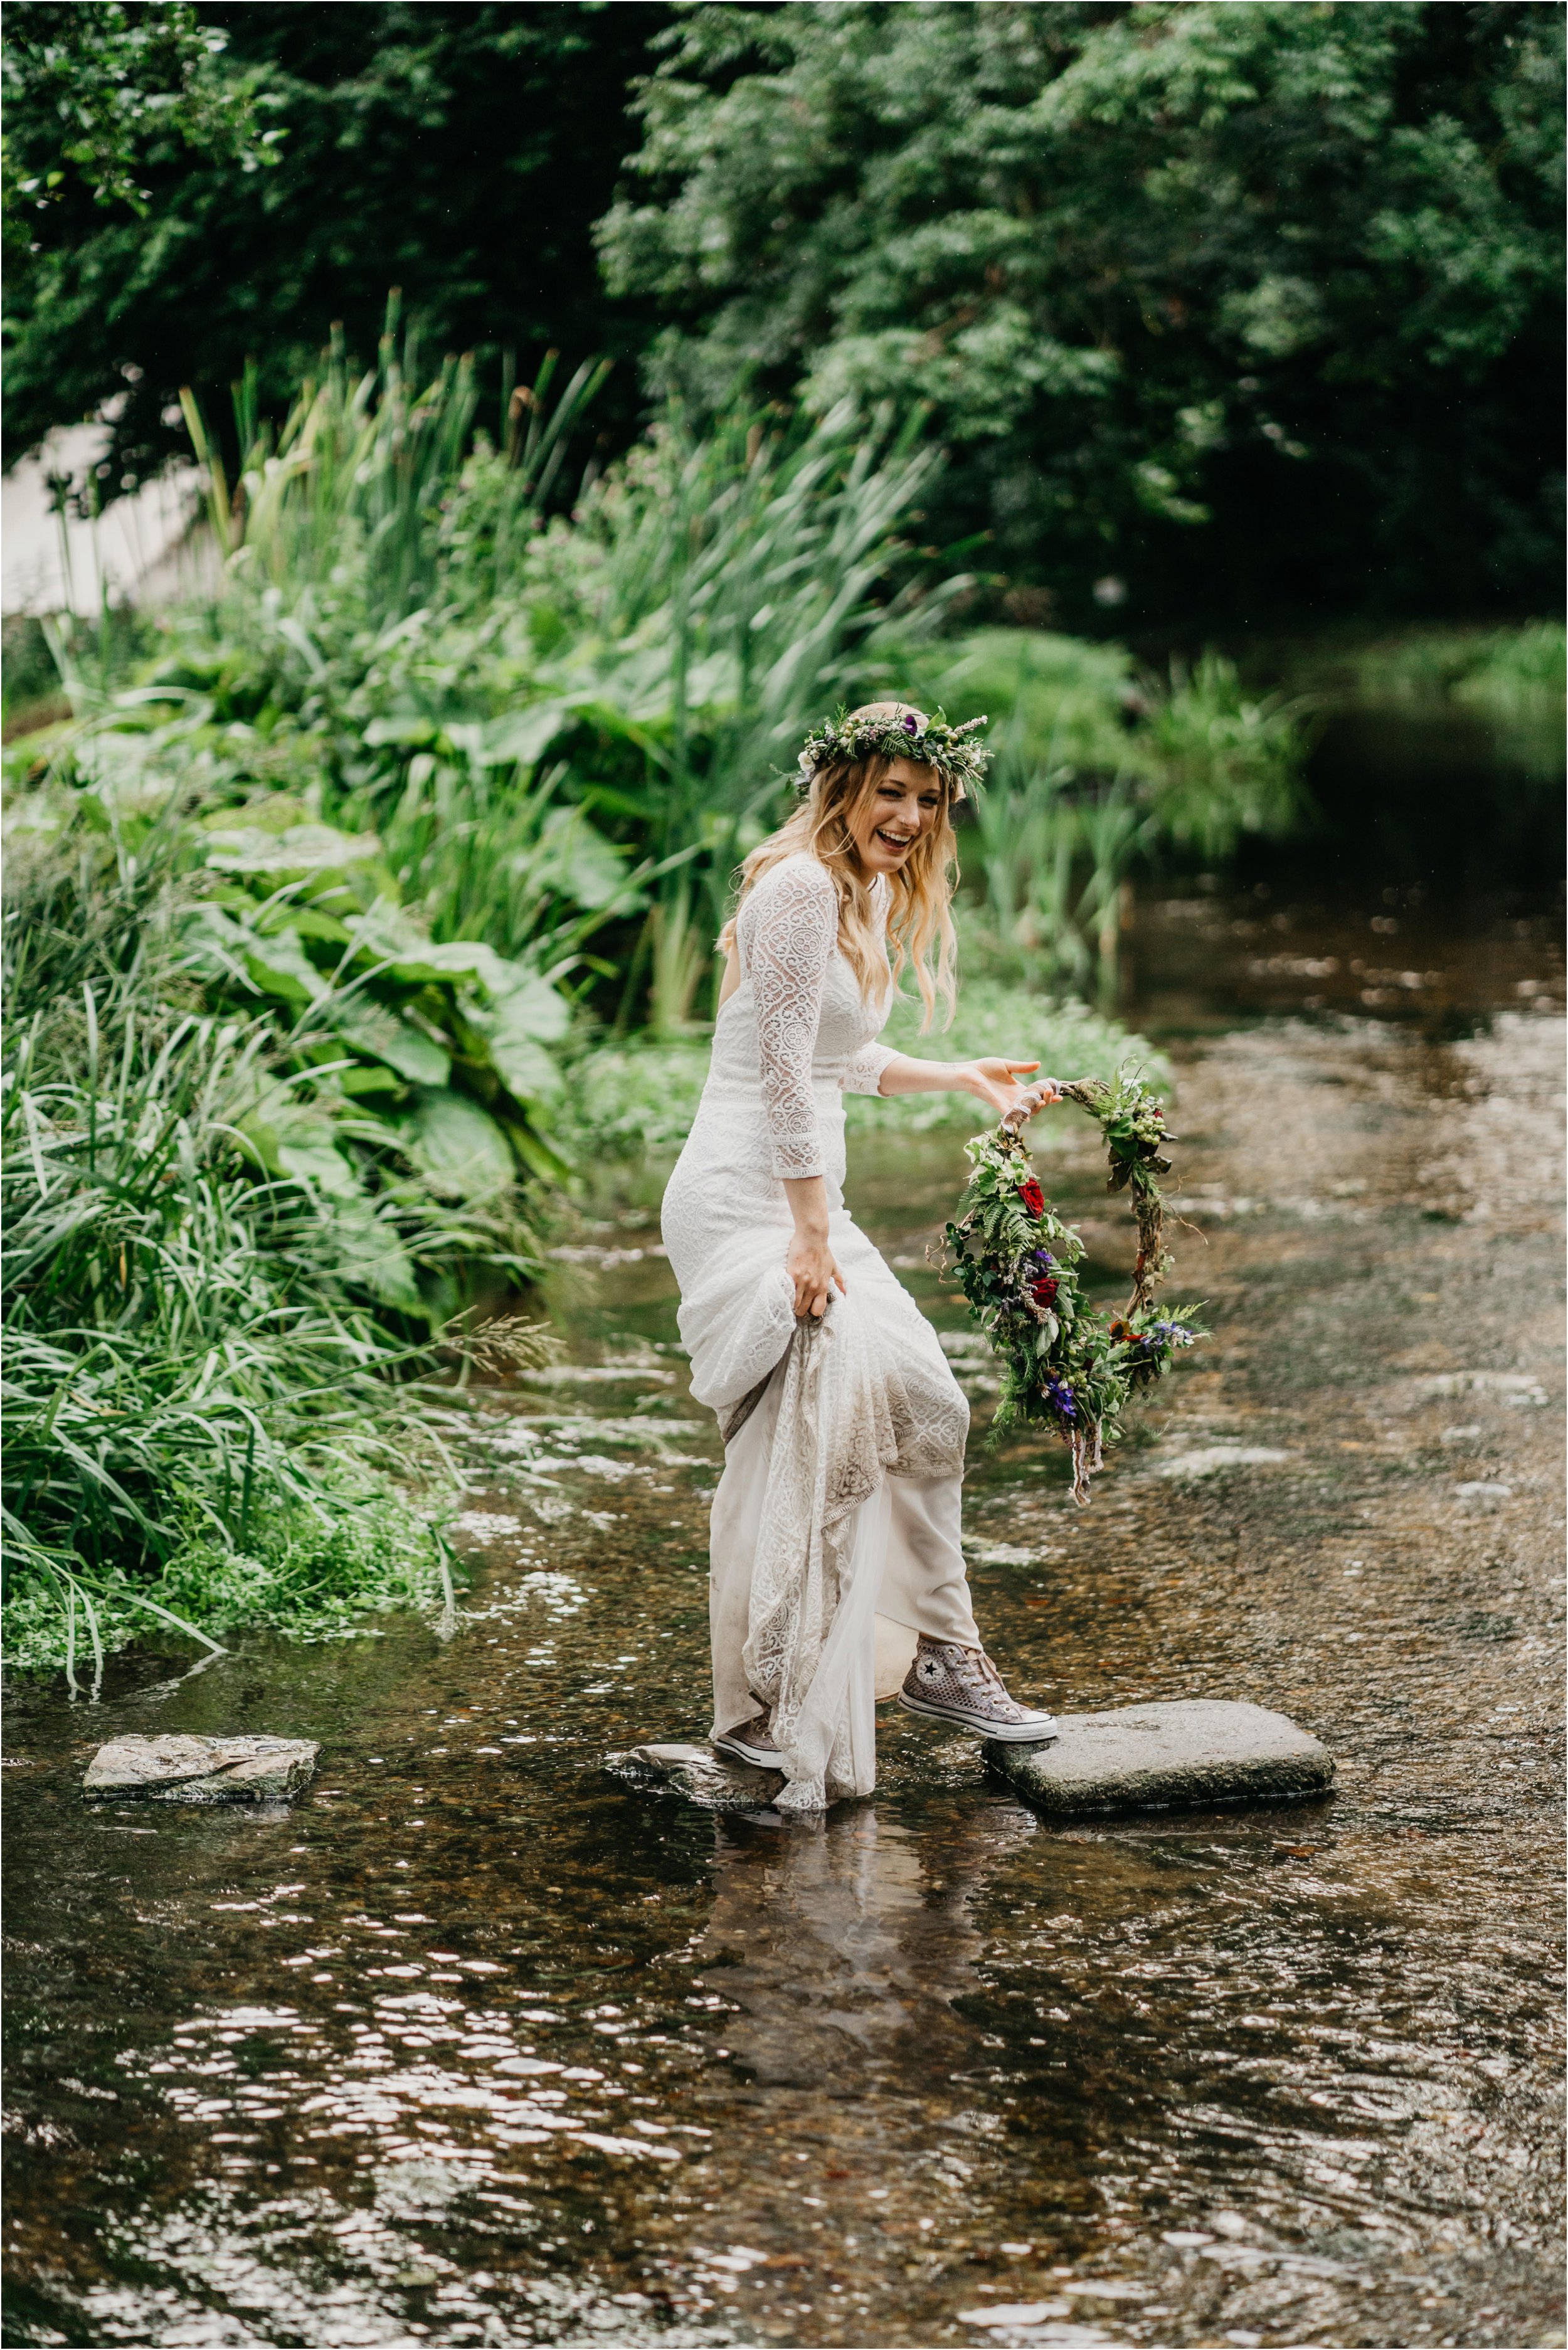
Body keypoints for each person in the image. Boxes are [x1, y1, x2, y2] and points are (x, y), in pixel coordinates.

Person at [660, 702, 1059, 1813]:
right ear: (843, 787)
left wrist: (959, 1076)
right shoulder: (793, 888)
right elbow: (783, 1073)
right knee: (808, 1434)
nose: (910, 816)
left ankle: (926, 1660)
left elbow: (843, 1056)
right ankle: (807, 1693)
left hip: (799, 1198)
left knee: (921, 1400)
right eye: (891, 791)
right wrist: (807, 1232)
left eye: (929, 800)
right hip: (749, 1198)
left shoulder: (863, 893)